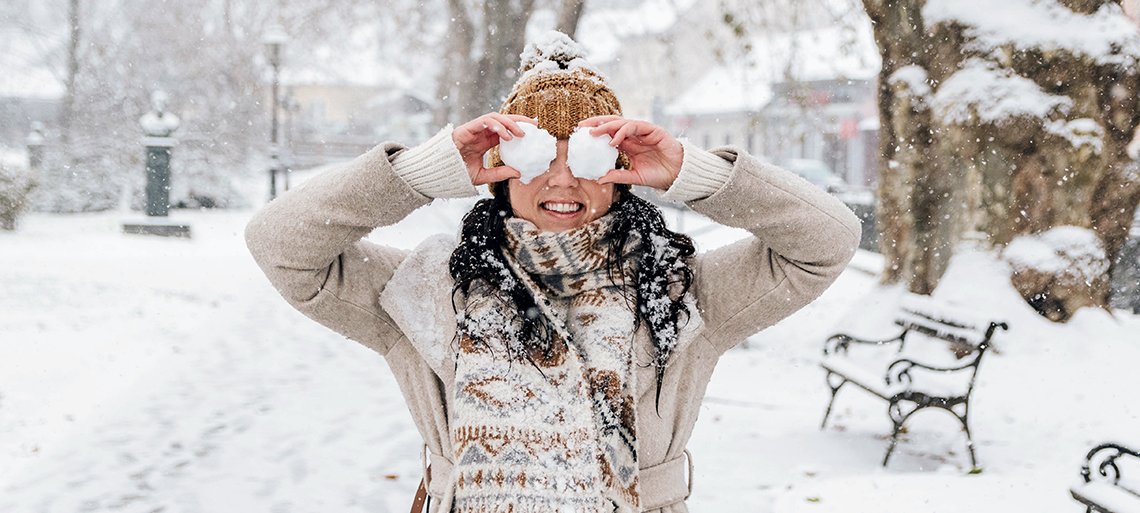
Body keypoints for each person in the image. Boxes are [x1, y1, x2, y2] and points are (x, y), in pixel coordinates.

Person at [246, 31, 860, 513]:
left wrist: (691, 173)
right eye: (539, 155)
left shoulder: (678, 289)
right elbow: (279, 244)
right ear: (501, 166)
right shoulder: (427, 290)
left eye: (586, 159)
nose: (562, 180)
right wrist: (419, 173)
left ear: (621, 170)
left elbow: (828, 240)